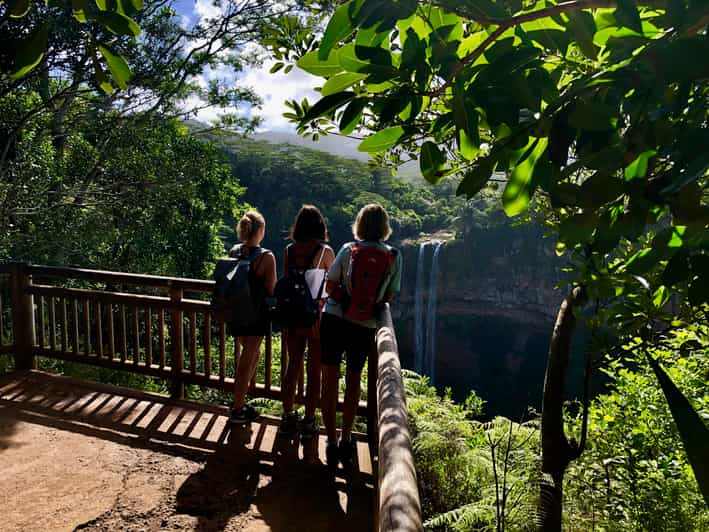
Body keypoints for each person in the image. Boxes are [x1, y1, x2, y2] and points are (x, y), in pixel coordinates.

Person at [320, 203, 401, 470]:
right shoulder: (393, 255)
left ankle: (330, 442)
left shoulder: (347, 249)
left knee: (330, 381)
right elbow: (388, 297)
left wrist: (345, 299)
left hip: (334, 319)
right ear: (385, 227)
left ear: (360, 225)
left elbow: (330, 285)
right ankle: (346, 438)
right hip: (364, 325)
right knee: (353, 380)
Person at [279, 205, 335, 438]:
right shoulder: (325, 252)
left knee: (292, 367)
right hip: (315, 319)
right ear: (320, 226)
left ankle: (288, 416)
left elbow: (286, 285)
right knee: (314, 373)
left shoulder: (289, 250)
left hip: (292, 318)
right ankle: (310, 421)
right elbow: (332, 287)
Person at [228, 210, 277, 424]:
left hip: (236, 312)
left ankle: (241, 401)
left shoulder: (234, 250)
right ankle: (237, 408)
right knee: (247, 361)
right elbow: (271, 288)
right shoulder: (266, 257)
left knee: (251, 356)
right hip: (256, 315)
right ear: (260, 231)